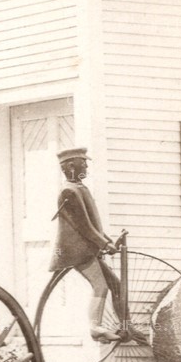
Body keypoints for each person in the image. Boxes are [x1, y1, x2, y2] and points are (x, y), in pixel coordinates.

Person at [50, 147, 136, 344]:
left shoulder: (80, 188)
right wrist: (104, 243)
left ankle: (126, 326)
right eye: (83, 162)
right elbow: (84, 226)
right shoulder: (68, 191)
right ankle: (95, 328)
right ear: (71, 166)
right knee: (101, 287)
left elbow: (93, 224)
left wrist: (108, 241)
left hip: (87, 249)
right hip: (76, 251)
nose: (87, 166)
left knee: (116, 286)